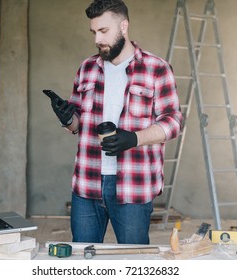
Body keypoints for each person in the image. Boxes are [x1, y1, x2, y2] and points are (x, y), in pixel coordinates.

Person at [50, 0, 182, 244]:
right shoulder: (87, 68)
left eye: (104, 31)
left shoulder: (157, 68)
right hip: (87, 182)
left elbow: (174, 121)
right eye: (94, 32)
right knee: (82, 257)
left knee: (133, 261)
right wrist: (67, 118)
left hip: (134, 185)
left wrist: (134, 138)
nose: (97, 39)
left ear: (124, 26)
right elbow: (78, 126)